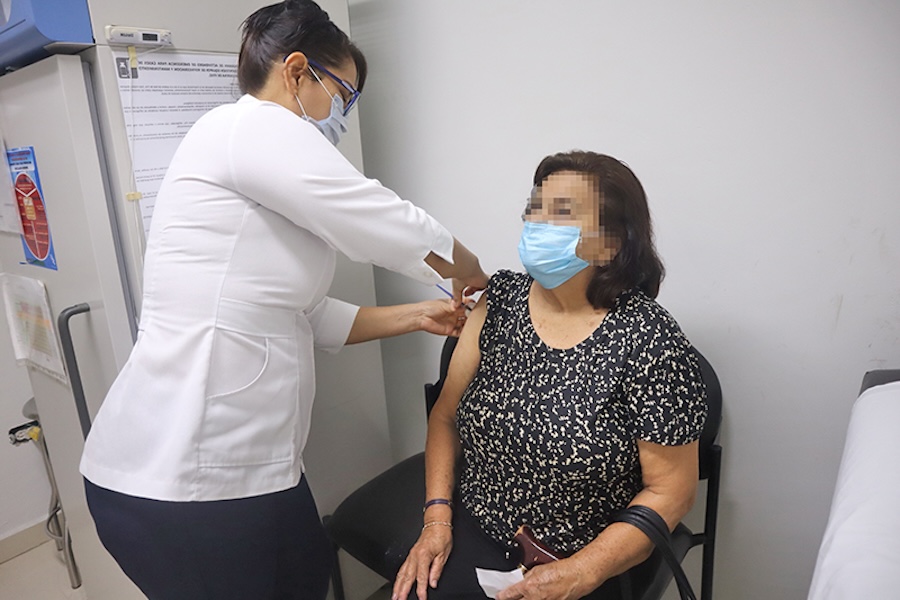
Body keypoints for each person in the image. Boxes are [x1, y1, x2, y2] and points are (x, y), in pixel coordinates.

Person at [79, 1, 488, 599]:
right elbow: (384, 222)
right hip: (178, 472)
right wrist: (472, 272)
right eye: (342, 95)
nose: (342, 116)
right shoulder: (247, 127)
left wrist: (420, 314)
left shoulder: (257, 162)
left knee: (306, 575)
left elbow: (304, 314)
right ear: (296, 71)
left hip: (258, 465)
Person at [393, 151, 708, 600]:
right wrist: (436, 520)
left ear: (608, 245)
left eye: (561, 213)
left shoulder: (650, 339)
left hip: (587, 558)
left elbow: (672, 491)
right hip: (475, 527)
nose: (537, 223)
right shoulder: (499, 301)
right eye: (534, 208)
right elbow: (446, 416)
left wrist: (583, 571)